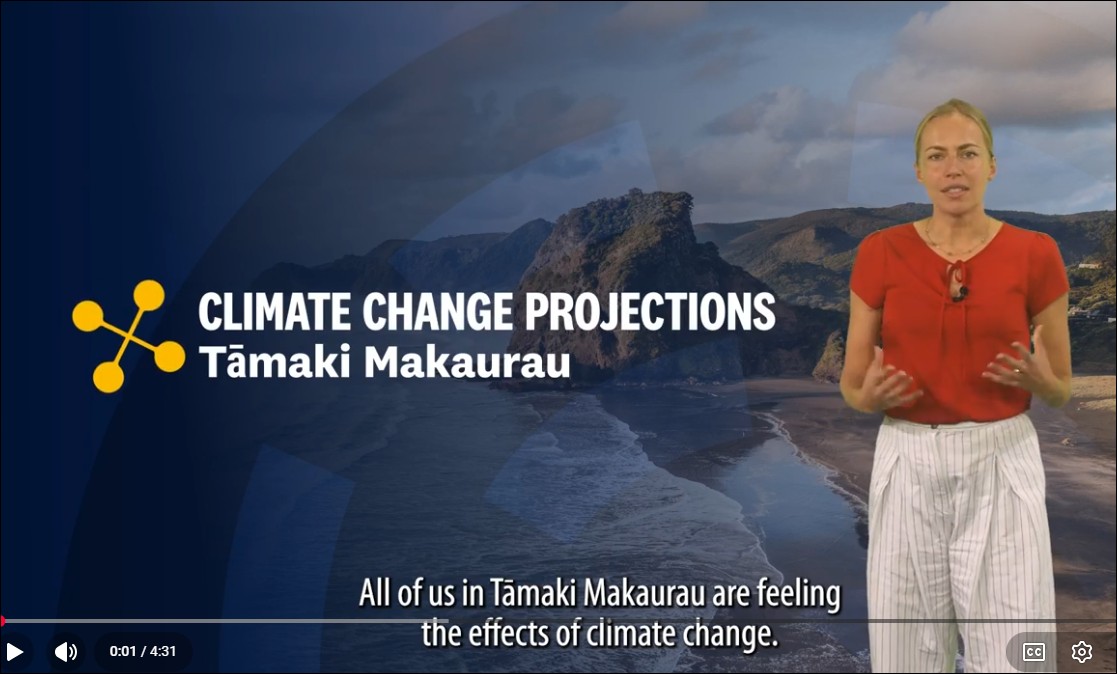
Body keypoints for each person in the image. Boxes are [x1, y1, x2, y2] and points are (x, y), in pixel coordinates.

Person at [840, 98, 1071, 673]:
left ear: (992, 165)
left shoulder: (1036, 254)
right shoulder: (880, 252)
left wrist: (1044, 381)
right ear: (919, 171)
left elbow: (1063, 388)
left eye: (968, 154)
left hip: (1003, 457)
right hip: (907, 458)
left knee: (1018, 658)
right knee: (905, 658)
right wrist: (868, 398)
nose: (953, 168)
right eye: (937, 156)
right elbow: (852, 384)